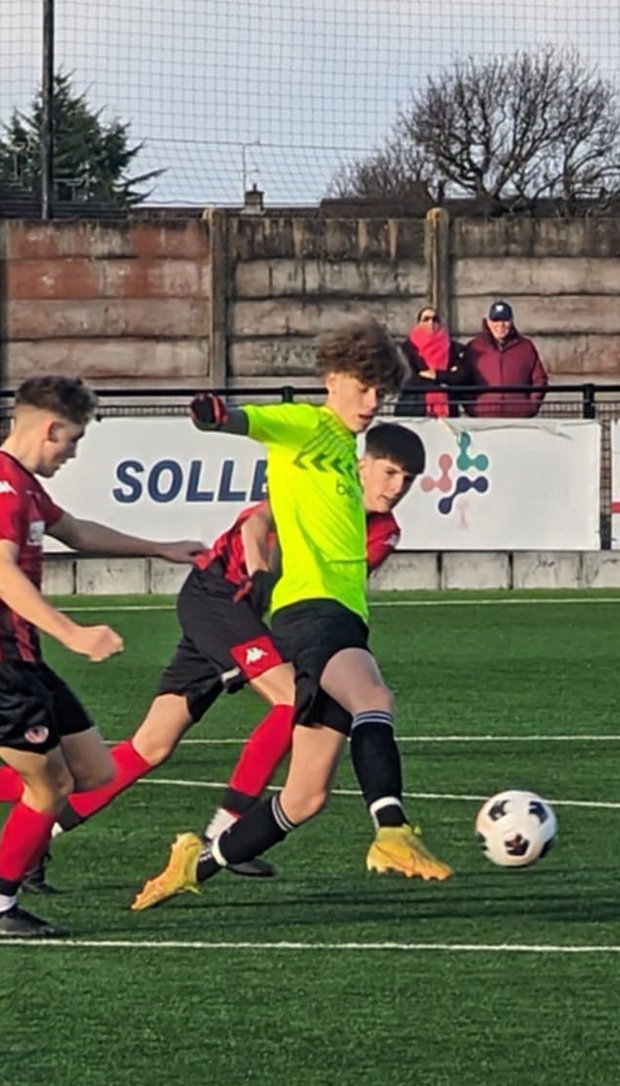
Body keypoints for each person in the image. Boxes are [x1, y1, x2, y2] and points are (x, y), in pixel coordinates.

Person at [0, 422, 423, 892]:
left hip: (256, 619)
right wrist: (262, 563)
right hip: (221, 599)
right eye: (389, 473)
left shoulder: (386, 532)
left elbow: (324, 595)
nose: (395, 489)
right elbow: (255, 524)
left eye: (407, 480)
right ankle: (227, 828)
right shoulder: (322, 488)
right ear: (361, 465)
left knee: (148, 747)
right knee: (294, 701)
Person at [131, 316, 453, 912]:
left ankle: (194, 864)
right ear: (332, 379)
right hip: (312, 614)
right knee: (375, 700)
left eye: (381, 391)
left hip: (341, 619)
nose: (372, 401)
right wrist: (214, 415)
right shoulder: (305, 426)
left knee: (304, 798)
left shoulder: (347, 455)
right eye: (363, 386)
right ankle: (392, 831)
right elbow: (243, 421)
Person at [0, 373, 204, 938]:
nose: (73, 452)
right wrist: (72, 633)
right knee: (49, 789)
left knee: (94, 772)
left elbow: (74, 530)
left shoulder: (19, 484)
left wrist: (158, 547)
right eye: (72, 439)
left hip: (22, 663)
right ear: (50, 428)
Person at [465, 300, 548, 417]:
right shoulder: (474, 347)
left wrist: (531, 406)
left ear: (511, 322)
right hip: (484, 419)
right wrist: (473, 408)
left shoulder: (526, 347)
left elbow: (540, 379)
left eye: (505, 320)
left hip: (519, 418)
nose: (500, 325)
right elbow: (464, 380)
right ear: (488, 322)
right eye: (496, 320)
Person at [394, 305, 473, 418]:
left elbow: (461, 376)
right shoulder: (406, 349)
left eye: (435, 319)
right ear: (418, 324)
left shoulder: (454, 348)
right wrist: (446, 379)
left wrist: (436, 375)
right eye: (426, 319)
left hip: (448, 413)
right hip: (413, 410)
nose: (431, 322)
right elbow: (409, 378)